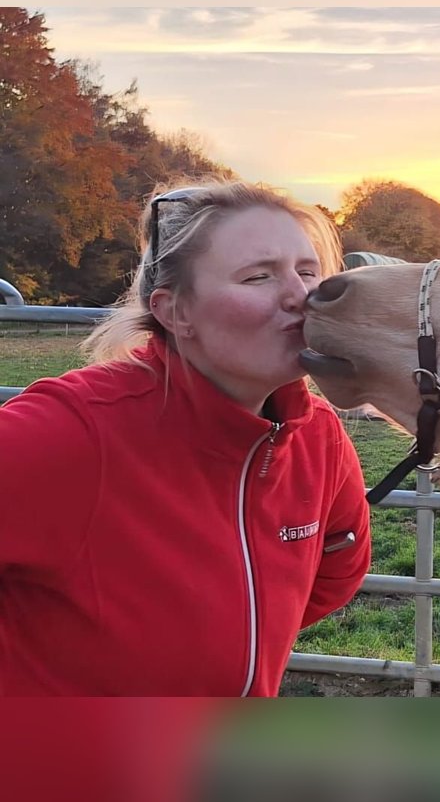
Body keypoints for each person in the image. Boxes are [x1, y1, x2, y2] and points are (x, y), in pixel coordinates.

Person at [0, 182, 371, 695]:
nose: (301, 296)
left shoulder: (317, 436)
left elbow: (334, 573)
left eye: (307, 272)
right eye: (259, 276)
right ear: (175, 312)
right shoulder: (71, 432)